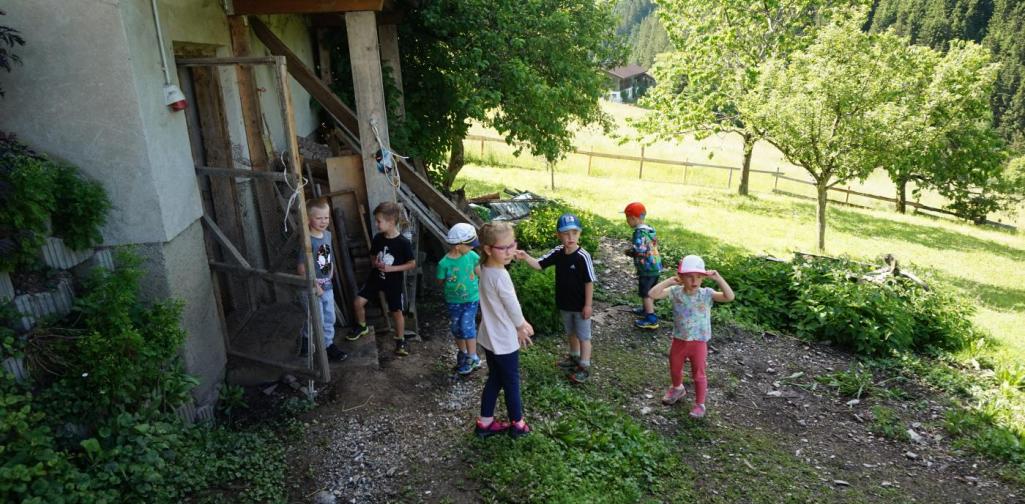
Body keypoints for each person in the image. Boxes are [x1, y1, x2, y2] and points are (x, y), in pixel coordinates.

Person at [648, 255, 735, 418]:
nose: (694, 281)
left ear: (703, 278)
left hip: (699, 342)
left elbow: (729, 297)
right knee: (674, 367)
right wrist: (669, 281)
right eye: (689, 277)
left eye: (699, 277)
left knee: (699, 373)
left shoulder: (707, 294)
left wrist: (718, 278)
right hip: (679, 339)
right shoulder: (675, 292)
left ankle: (700, 404)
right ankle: (677, 388)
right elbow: (652, 294)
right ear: (681, 277)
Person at [517, 213, 597, 383]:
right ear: (559, 235)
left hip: (581, 306)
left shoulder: (583, 256)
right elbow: (539, 265)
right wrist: (525, 257)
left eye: (574, 233)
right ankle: (573, 357)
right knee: (571, 333)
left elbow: (589, 282)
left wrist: (588, 305)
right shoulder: (558, 253)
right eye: (566, 234)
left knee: (584, 336)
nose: (570, 237)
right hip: (565, 304)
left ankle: (584, 366)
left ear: (579, 234)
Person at [474, 222, 534, 438]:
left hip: (489, 337)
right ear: (489, 249)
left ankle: (485, 423)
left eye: (512, 245)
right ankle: (518, 424)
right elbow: (512, 305)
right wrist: (521, 325)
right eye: (504, 248)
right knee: (511, 383)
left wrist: (509, 253)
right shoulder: (500, 276)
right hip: (503, 341)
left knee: (495, 378)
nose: (510, 251)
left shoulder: (486, 269)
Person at [350, 202, 417, 356]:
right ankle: (362, 326)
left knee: (396, 312)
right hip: (376, 278)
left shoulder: (403, 243)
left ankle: (400, 341)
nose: (376, 224)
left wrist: (391, 268)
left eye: (379, 221)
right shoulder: (378, 238)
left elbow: (412, 264)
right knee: (358, 302)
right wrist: (376, 263)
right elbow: (373, 257)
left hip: (393, 283)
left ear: (391, 221)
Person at [298, 198, 347, 362]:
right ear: (309, 219)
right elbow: (301, 270)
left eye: (326, 217)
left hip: (327, 285)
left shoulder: (327, 235)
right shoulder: (307, 241)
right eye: (319, 218)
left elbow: (328, 255)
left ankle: (327, 344)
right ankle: (309, 341)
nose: (323, 221)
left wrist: (331, 270)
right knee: (314, 317)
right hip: (311, 287)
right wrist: (315, 286)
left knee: (329, 317)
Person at [437, 222, 482, 375]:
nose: (472, 247)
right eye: (469, 245)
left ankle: (473, 356)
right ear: (458, 246)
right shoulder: (444, 263)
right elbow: (440, 281)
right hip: (454, 301)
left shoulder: (473, 256)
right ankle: (463, 353)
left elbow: (479, 272)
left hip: (472, 299)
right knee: (456, 328)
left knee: (466, 325)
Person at [623, 201, 662, 329]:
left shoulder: (638, 233)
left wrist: (630, 252)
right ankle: (646, 309)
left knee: (646, 293)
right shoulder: (650, 229)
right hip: (655, 265)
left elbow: (639, 250)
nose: (627, 221)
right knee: (650, 290)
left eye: (627, 218)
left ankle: (651, 318)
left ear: (633, 218)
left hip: (647, 268)